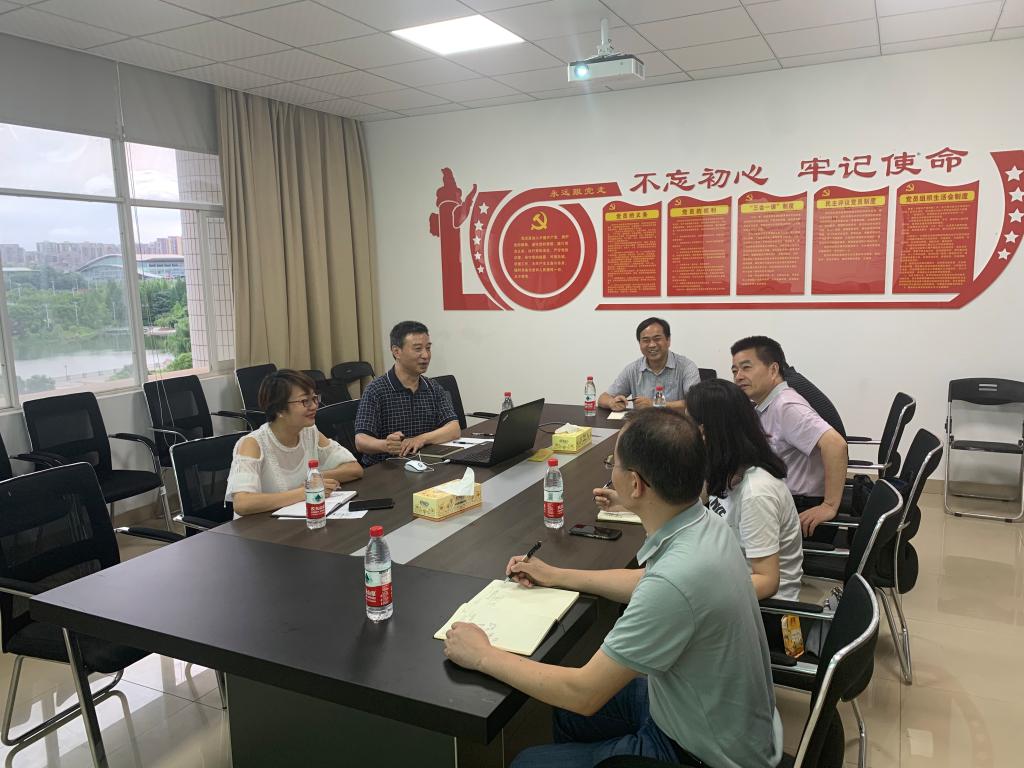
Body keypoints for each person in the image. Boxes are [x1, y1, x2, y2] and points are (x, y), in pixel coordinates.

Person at [444, 409, 782, 768]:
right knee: (565, 715)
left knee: (528, 761)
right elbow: (650, 583)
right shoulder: (705, 523)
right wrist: (557, 575)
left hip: (701, 753)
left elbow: (584, 693)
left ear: (635, 484)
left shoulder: (676, 580)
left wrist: (482, 655)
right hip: (719, 715)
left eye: (613, 464)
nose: (611, 472)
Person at [686, 378, 804, 601]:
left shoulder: (756, 493)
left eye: (686, 425)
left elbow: (766, 582)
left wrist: (697, 596)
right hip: (727, 577)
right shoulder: (728, 468)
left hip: (760, 609)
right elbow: (687, 501)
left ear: (704, 432)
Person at [730, 336, 849, 537]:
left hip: (800, 509)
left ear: (773, 370)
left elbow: (836, 445)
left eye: (746, 368)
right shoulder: (767, 404)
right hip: (781, 500)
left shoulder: (787, 406)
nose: (739, 376)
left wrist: (829, 505)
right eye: (735, 371)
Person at [226, 369, 363, 515]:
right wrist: (304, 492)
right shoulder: (253, 444)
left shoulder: (309, 432)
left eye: (314, 398)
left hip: (300, 520)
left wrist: (317, 478)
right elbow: (242, 503)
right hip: (260, 526)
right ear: (279, 409)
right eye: (305, 401)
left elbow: (354, 469)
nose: (314, 406)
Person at [354, 321, 461, 465]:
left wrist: (421, 439)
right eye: (418, 349)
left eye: (428, 348)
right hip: (386, 468)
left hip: (425, 464)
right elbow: (361, 441)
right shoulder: (376, 390)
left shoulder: (432, 387)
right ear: (396, 351)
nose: (425, 355)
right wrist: (386, 445)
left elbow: (453, 429)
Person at [597, 317, 700, 411]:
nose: (652, 345)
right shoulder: (632, 369)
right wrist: (612, 403)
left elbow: (696, 403)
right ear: (640, 344)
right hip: (642, 424)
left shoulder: (686, 367)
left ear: (668, 340)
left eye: (657, 339)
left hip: (677, 424)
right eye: (646, 340)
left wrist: (656, 404)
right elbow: (603, 398)